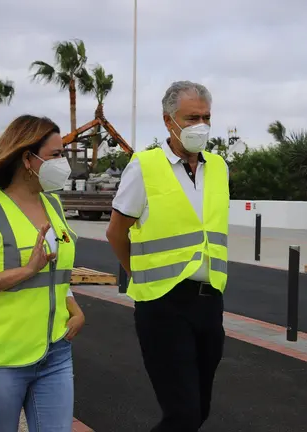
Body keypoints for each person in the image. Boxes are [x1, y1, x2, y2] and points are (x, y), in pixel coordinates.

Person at [0, 115, 85, 432]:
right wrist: (25, 271)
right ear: (27, 158)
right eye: (55, 155)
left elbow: (55, 275)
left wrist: (74, 308)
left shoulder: (54, 205)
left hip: (54, 352)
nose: (63, 163)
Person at [106, 81, 229, 432]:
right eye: (192, 118)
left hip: (209, 302)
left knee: (200, 410)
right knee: (182, 413)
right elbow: (116, 231)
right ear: (168, 121)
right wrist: (140, 274)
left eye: (206, 117)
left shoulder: (218, 167)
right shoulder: (144, 166)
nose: (200, 125)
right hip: (163, 304)